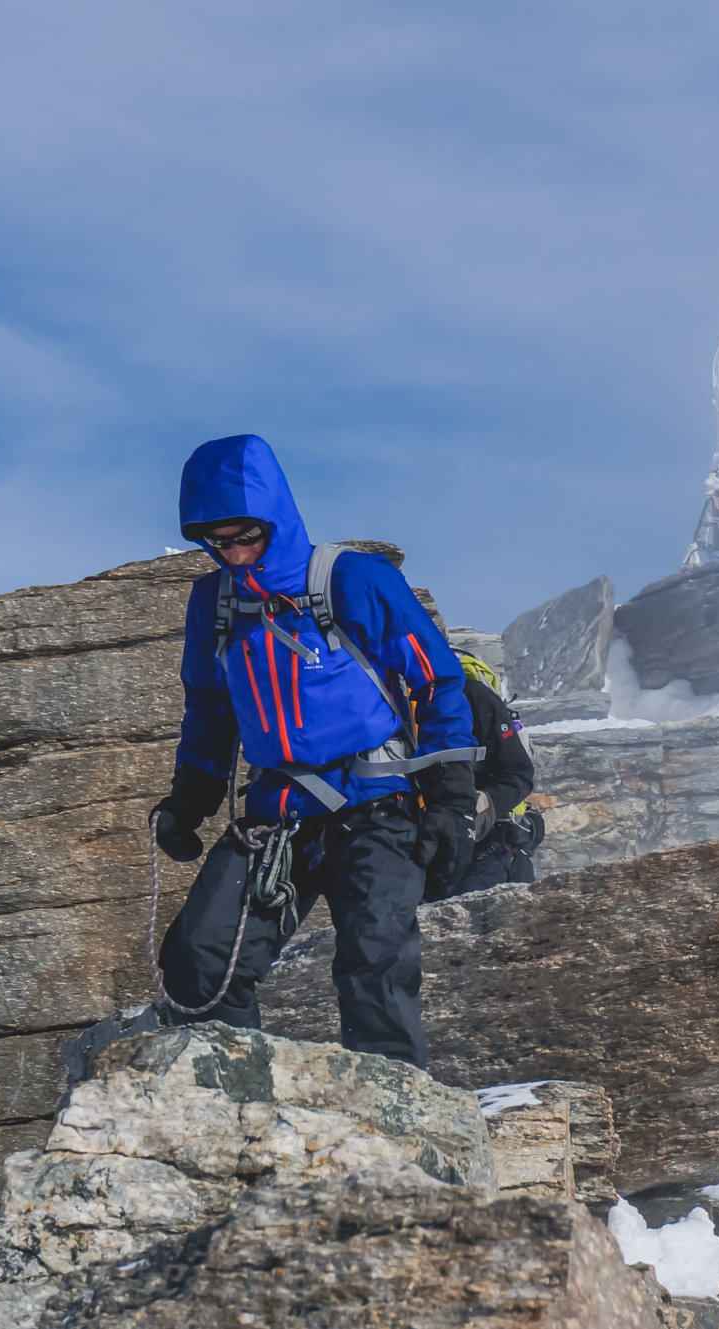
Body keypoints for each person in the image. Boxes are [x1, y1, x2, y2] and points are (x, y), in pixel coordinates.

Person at [147, 434, 481, 1068]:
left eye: (247, 535)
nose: (234, 552)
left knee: (375, 965)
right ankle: (236, 1098)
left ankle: (391, 1111)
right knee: (199, 960)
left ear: (275, 517)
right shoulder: (215, 604)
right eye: (218, 541)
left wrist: (451, 800)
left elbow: (436, 681)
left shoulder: (355, 579)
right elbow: (210, 708)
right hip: (278, 815)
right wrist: (190, 799)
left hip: (378, 807)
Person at [430, 652, 545, 901]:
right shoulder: (391, 701)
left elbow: (519, 772)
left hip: (488, 846)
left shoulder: (473, 696)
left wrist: (482, 805)